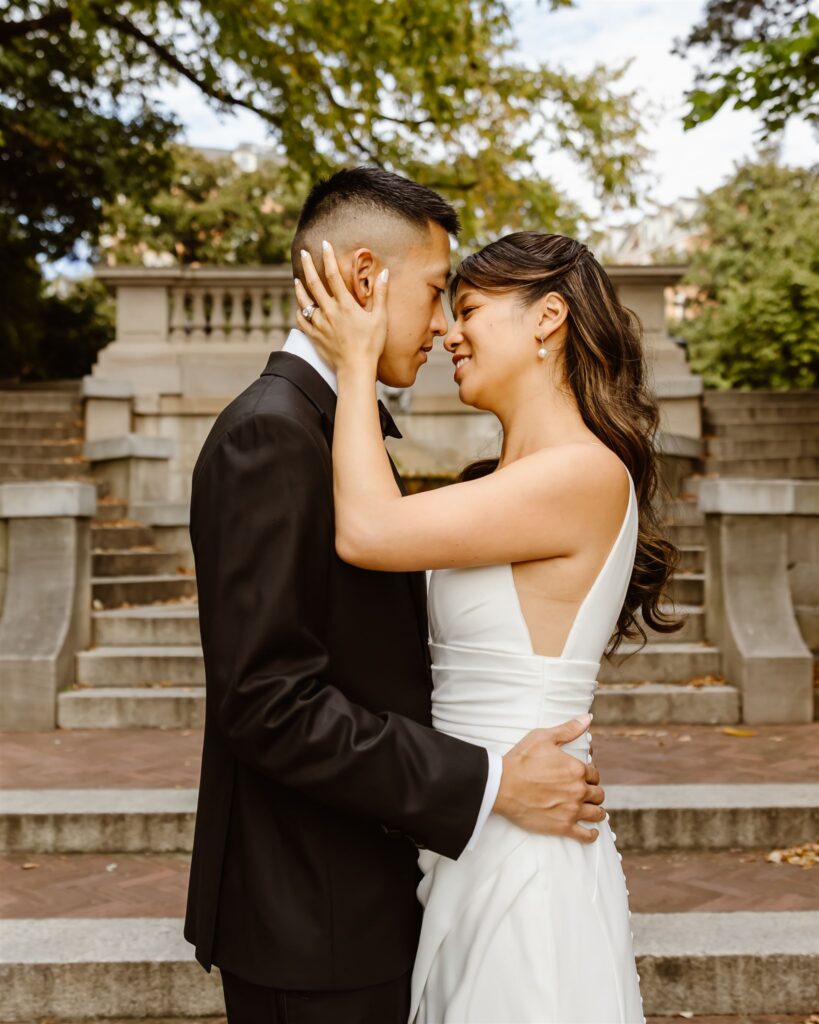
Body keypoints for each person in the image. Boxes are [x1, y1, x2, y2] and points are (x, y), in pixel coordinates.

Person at [184, 168, 608, 1024]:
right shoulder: (270, 432)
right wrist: (487, 783)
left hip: (381, 895)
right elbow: (267, 702)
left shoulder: (330, 424)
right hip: (313, 915)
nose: (443, 325)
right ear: (366, 279)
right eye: (433, 292)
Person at [294, 228, 680, 1023]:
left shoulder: (583, 472)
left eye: (467, 307)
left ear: (546, 319)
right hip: (473, 826)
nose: (447, 331)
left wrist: (358, 361)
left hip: (526, 853)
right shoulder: (501, 483)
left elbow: (366, 531)